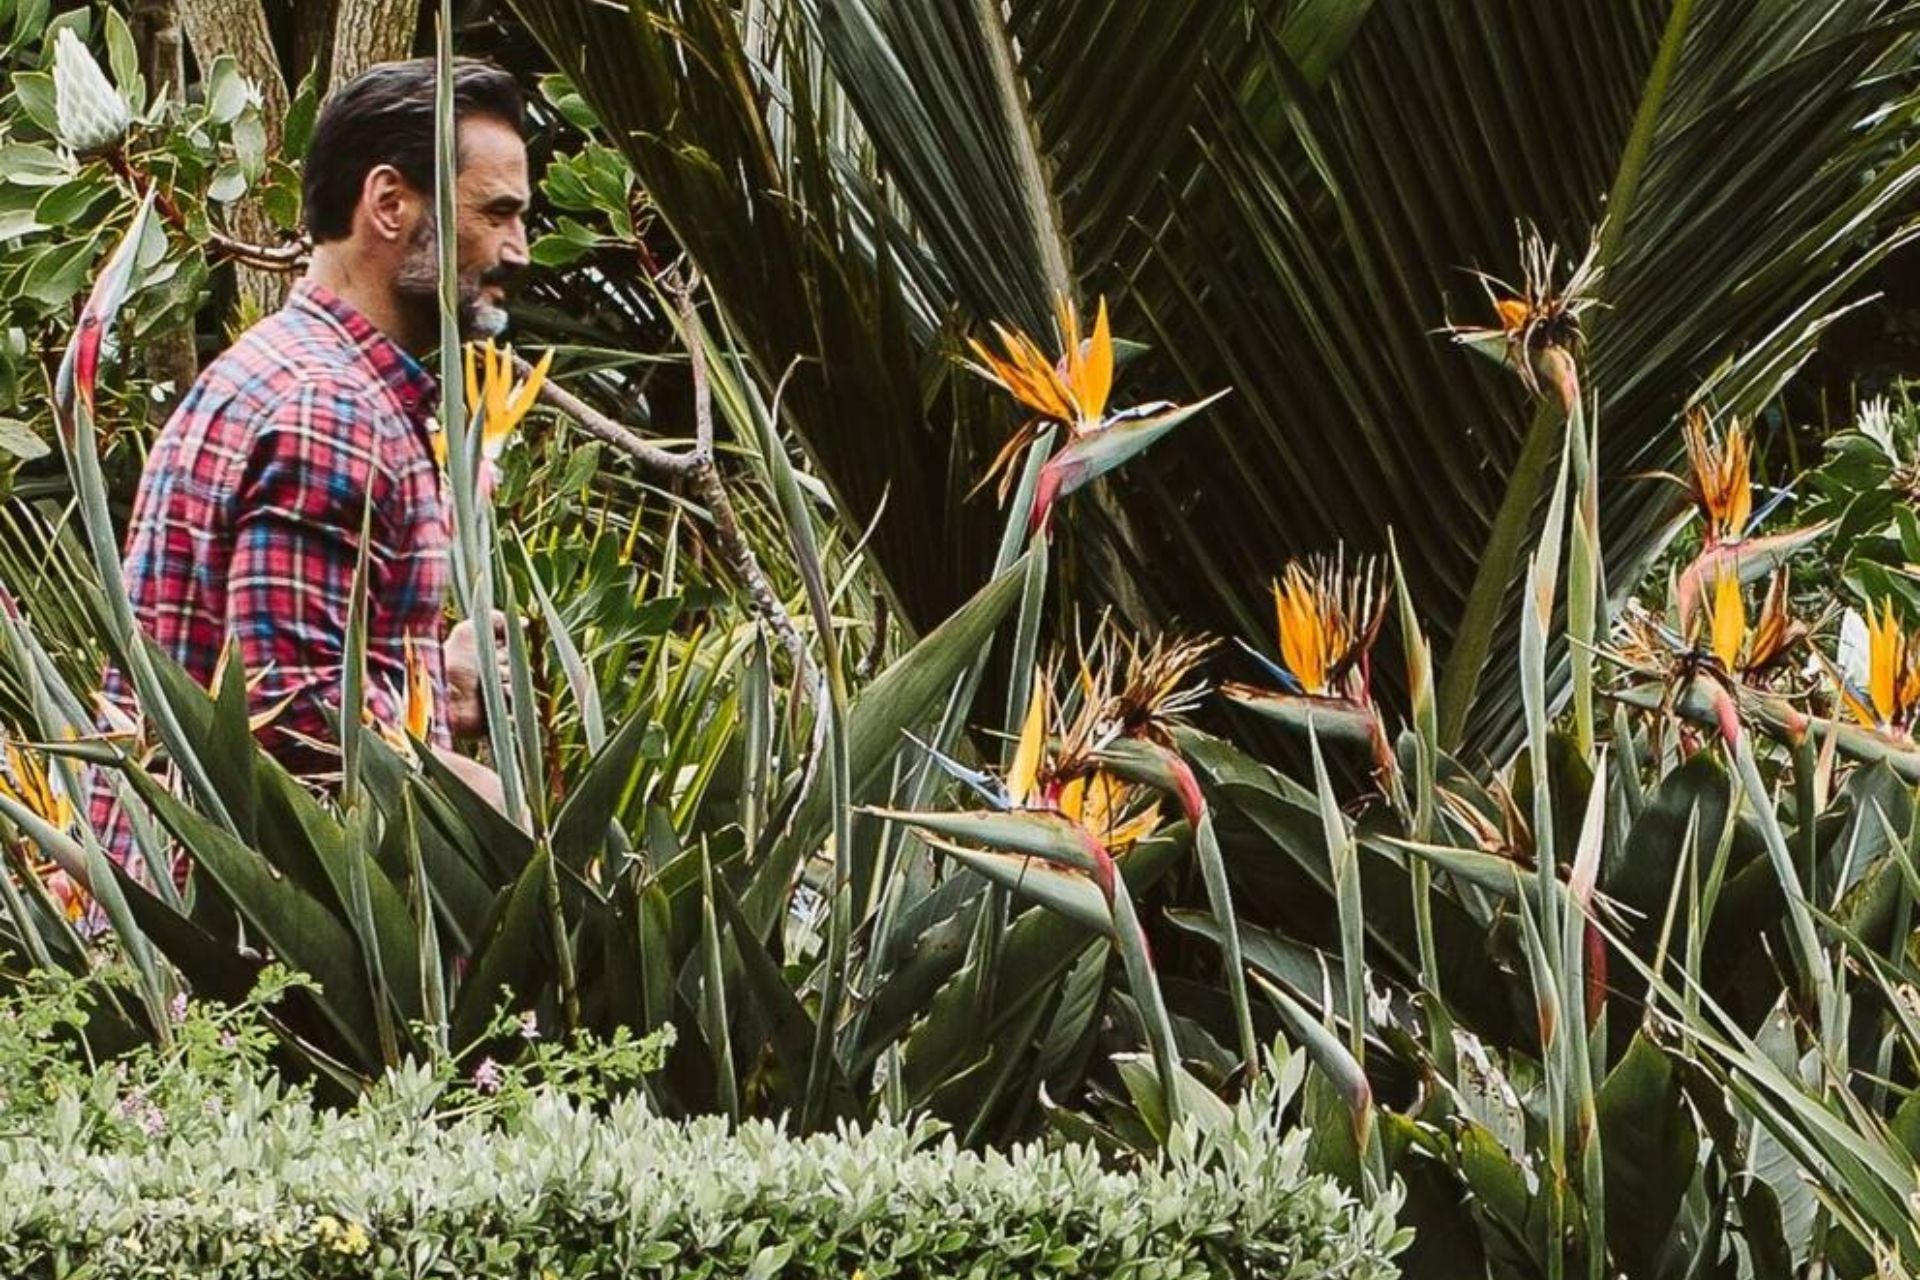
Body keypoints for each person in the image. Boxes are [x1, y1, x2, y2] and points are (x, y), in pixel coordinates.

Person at [86, 56, 531, 864]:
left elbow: (305, 672)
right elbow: (292, 726)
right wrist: (498, 813)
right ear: (389, 203)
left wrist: (429, 676)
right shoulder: (328, 409)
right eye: (496, 214)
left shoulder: (287, 370)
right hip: (246, 957)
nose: (520, 249)